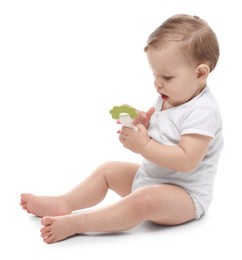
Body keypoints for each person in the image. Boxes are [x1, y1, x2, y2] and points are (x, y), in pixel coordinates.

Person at [20, 14, 223, 244]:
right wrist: (142, 121)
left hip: (184, 197)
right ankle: (65, 202)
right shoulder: (173, 94)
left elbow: (187, 160)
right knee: (108, 170)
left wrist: (144, 146)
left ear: (200, 73)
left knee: (143, 200)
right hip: (151, 178)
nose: (157, 82)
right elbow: (160, 123)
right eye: (154, 74)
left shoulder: (203, 111)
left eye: (166, 76)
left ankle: (80, 223)